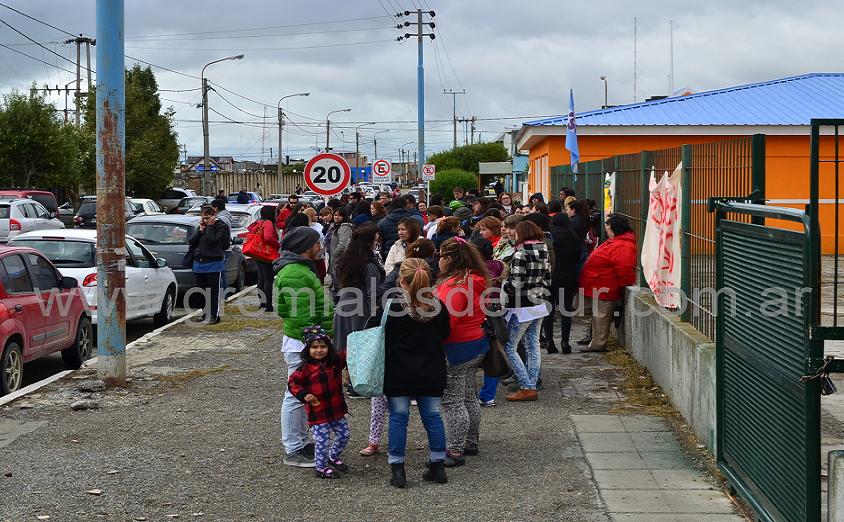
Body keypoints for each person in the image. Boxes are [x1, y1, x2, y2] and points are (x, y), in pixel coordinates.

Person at [382, 258, 452, 488]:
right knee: (432, 416)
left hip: (398, 370)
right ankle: (438, 465)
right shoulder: (439, 307)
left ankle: (398, 468)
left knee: (398, 417)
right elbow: (445, 335)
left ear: (402, 280)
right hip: (431, 369)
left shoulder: (392, 307)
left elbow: (380, 336)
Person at [273, 226, 334, 468]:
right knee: (295, 395)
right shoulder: (297, 273)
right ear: (305, 248)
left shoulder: (298, 270)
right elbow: (299, 315)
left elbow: (286, 311)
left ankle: (299, 442)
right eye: (316, 243)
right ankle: (293, 448)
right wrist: (315, 342)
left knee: (301, 395)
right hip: (302, 342)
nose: (320, 247)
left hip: (302, 340)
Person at [333, 224, 387, 453]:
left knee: (344, 346)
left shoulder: (345, 259)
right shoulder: (369, 263)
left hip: (343, 305)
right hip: (361, 308)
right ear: (372, 238)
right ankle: (359, 381)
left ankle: (346, 381)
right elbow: (373, 291)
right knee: (362, 346)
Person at [436, 238, 489, 466]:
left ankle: (455, 449)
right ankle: (471, 441)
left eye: (441, 256)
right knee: (469, 396)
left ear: (450, 259)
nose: (438, 261)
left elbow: (449, 321)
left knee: (452, 402)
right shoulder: (476, 280)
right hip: (476, 343)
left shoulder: (455, 286)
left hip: (456, 347)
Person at [287, 325, 350, 479]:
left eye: (323, 346)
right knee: (322, 441)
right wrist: (303, 395)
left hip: (337, 410)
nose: (319, 350)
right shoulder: (305, 369)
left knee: (344, 434)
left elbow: (349, 354)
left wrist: (358, 341)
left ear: (329, 347)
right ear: (308, 349)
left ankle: (332, 456)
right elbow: (292, 383)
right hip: (318, 413)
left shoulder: (335, 362)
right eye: (314, 347)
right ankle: (320, 467)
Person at [501, 221, 551, 401]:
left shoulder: (520, 253)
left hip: (521, 306)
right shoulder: (543, 249)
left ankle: (526, 385)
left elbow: (515, 284)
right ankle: (532, 382)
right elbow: (548, 278)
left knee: (510, 347)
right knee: (533, 346)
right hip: (539, 301)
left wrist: (503, 286)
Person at [578, 214, 637, 352]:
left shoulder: (623, 245)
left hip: (604, 285)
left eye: (608, 228)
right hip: (598, 283)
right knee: (597, 315)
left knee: (601, 316)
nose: (606, 231)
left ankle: (598, 344)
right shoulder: (617, 241)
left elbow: (624, 267)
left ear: (616, 228)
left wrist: (624, 284)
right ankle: (595, 341)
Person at [546, 212, 583, 354]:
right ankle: (565, 342)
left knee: (548, 310)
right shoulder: (574, 237)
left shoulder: (550, 237)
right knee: (566, 310)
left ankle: (549, 341)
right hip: (568, 277)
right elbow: (578, 257)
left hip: (551, 277)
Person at [189, 205, 230, 325]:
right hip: (199, 261)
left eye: (207, 218)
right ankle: (205, 313)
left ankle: (214, 315)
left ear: (213, 216)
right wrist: (200, 230)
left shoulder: (221, 227)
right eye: (203, 218)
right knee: (201, 290)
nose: (205, 220)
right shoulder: (202, 227)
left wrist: (210, 227)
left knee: (213, 290)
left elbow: (213, 240)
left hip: (214, 262)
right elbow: (192, 242)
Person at [247, 205, 280, 313]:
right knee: (268, 279)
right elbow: (268, 237)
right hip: (266, 254)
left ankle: (262, 303)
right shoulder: (268, 223)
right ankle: (269, 305)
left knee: (261, 278)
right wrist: (278, 244)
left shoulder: (259, 222)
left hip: (257, 253)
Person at [325, 208, 353, 295]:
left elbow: (343, 244)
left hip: (340, 259)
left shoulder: (344, 228)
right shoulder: (334, 226)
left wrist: (335, 254)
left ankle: (338, 298)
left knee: (339, 280)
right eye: (335, 215)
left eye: (339, 215)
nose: (336, 217)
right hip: (334, 258)